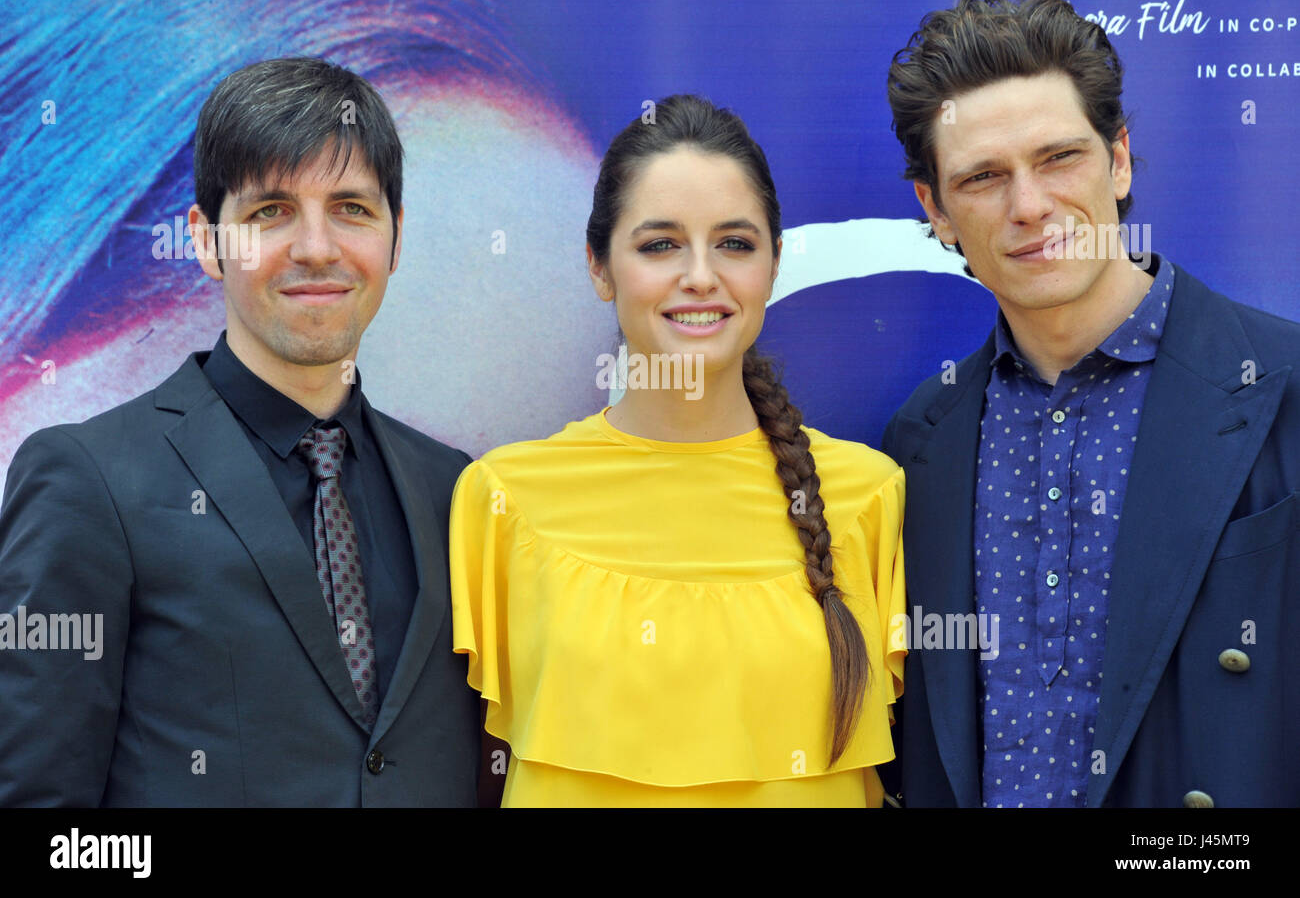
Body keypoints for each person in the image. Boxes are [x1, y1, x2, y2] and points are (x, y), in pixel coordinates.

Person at [0, 58, 479, 806]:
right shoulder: (88, 481)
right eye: (271, 211)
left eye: (352, 208)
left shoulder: (457, 490)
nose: (317, 248)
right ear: (205, 239)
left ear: (395, 235)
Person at [880, 0, 1300, 807]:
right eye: (983, 177)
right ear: (935, 211)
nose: (1030, 205)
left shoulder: (1284, 385)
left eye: (1059, 157)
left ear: (1119, 160)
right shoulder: (918, 442)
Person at [450, 95, 906, 807]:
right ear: (600, 268)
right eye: (660, 244)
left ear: (773, 265)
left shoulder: (869, 497)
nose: (700, 275)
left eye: (735, 243)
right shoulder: (501, 498)